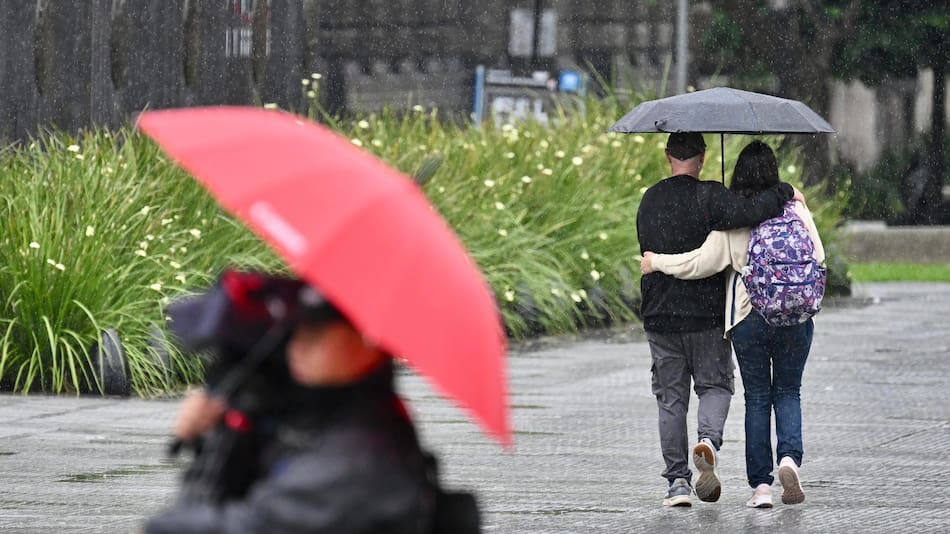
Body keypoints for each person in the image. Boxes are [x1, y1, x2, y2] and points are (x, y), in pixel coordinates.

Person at [143, 273, 475, 533]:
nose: (298, 345)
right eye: (295, 329)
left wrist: (162, 523)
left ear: (366, 342)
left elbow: (242, 525)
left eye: (316, 332)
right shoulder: (344, 413)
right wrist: (211, 433)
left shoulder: (353, 461)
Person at [641, 140, 824, 508]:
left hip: (739, 316)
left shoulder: (722, 217)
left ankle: (752, 487)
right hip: (790, 316)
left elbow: (700, 263)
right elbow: (818, 257)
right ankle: (786, 458)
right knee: (786, 391)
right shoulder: (793, 210)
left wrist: (656, 262)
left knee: (750, 398)